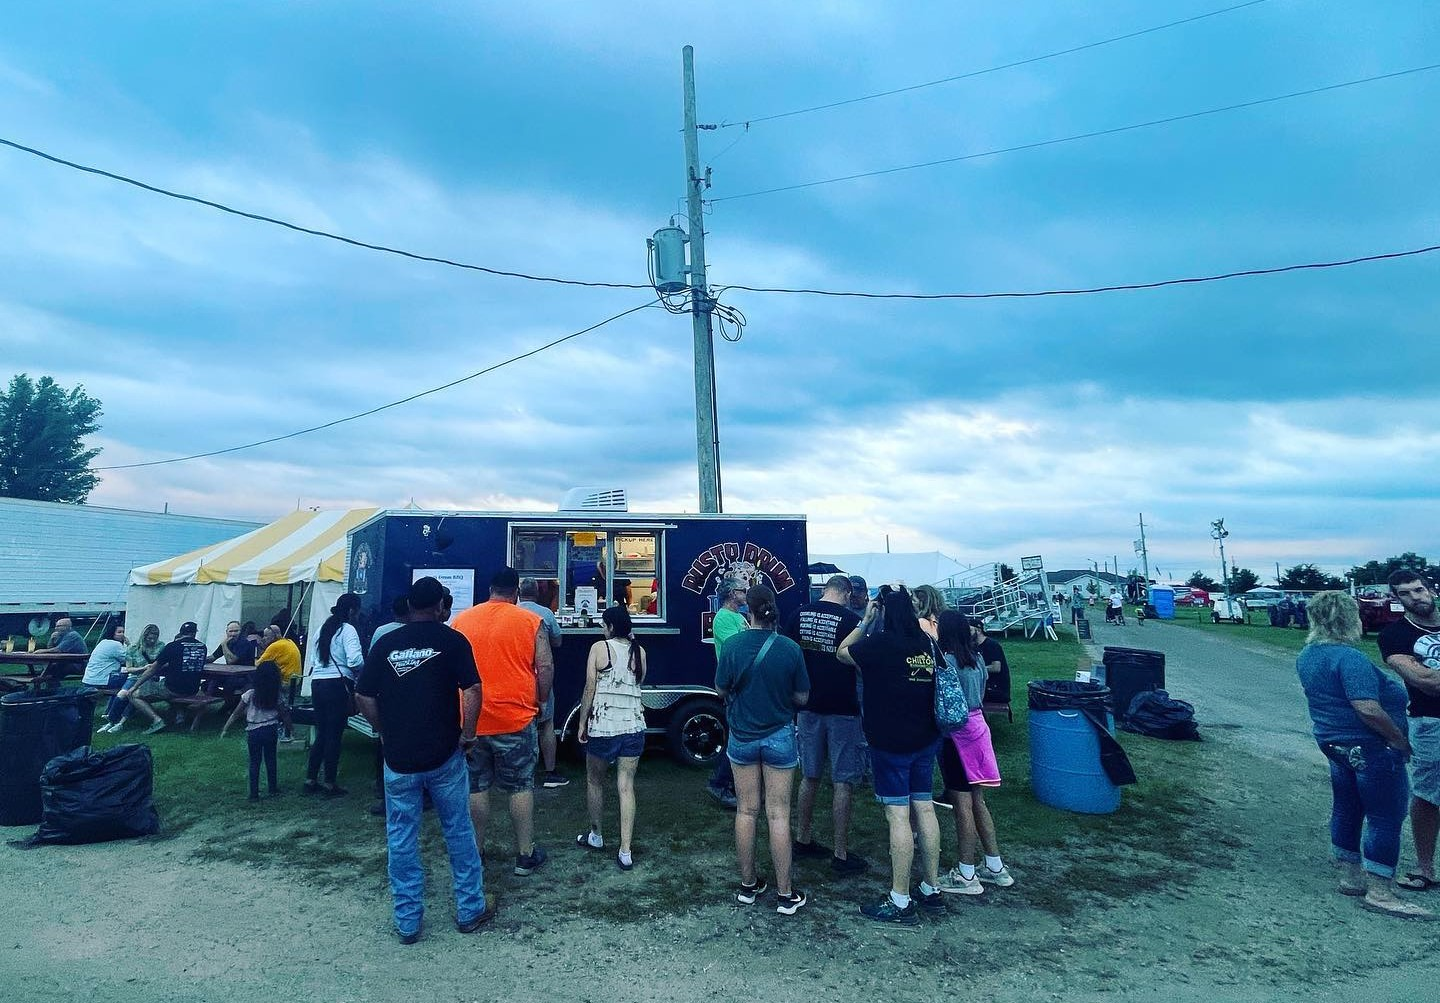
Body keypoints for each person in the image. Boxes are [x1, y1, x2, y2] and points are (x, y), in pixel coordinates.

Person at [355, 576, 491, 944]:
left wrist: (385, 729)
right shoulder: (452, 640)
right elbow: (474, 688)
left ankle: (408, 921)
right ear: (440, 608)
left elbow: (363, 695)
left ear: (412, 606)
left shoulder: (386, 643)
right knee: (459, 831)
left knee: (401, 838)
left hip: (398, 758)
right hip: (445, 754)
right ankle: (470, 909)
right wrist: (469, 732)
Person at [1297, 590, 1427, 917]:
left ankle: (1350, 876)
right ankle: (1381, 891)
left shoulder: (1308, 655)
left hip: (1335, 744)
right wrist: (1398, 740)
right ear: (1347, 617)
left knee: (1348, 805)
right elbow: (1367, 708)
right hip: (1370, 747)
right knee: (1386, 814)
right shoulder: (1348, 658)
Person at [838, 585, 945, 925]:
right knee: (925, 809)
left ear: (882, 611)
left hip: (891, 742)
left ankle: (900, 899)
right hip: (926, 737)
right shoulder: (926, 642)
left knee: (898, 817)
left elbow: (842, 652)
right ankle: (932, 887)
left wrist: (866, 620)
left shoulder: (879, 644)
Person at [451, 567, 554, 877]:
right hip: (516, 717)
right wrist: (541, 699)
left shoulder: (462, 621)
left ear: (490, 589)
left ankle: (477, 853)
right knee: (520, 785)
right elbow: (545, 665)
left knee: (476, 787)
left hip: (472, 720)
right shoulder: (530, 621)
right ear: (517, 594)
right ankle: (525, 855)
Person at [716, 584, 810, 915]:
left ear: (748, 611)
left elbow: (720, 687)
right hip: (780, 735)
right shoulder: (790, 649)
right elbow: (802, 698)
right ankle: (785, 894)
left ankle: (748, 885)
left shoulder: (732, 646)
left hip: (742, 735)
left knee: (746, 811)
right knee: (779, 813)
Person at [784, 574, 867, 875]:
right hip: (843, 708)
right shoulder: (851, 621)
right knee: (843, 780)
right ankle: (841, 853)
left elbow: (788, 655)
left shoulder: (798, 614)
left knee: (810, 775)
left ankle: (802, 838)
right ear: (845, 593)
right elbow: (860, 663)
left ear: (824, 590)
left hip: (807, 706)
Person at [935, 611, 1013, 896]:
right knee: (977, 800)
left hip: (957, 735)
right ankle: (995, 866)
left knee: (961, 803)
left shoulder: (947, 661)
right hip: (979, 728)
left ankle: (966, 872)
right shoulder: (977, 657)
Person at [1377, 569, 1440, 892]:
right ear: (1396, 598)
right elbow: (1426, 683)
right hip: (1431, 724)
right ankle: (1425, 867)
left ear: (1429, 589)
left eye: (1419, 589)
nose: (1416, 597)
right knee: (1429, 795)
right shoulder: (1395, 636)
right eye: (1406, 593)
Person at [576, 605, 648, 871]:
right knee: (626, 786)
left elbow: (589, 688)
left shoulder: (599, 648)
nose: (601, 629)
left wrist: (582, 723)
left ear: (610, 627)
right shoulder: (639, 651)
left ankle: (596, 835)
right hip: (633, 726)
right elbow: (637, 683)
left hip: (604, 727)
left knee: (595, 780)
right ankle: (625, 850)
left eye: (603, 625)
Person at [306, 593, 364, 796]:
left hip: (318, 683)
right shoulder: (348, 630)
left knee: (322, 732)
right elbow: (355, 660)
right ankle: (329, 782)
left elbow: (314, 659)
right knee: (334, 734)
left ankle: (310, 779)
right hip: (337, 684)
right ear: (351, 611)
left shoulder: (322, 629)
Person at [706, 574, 750, 809]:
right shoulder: (723, 618)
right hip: (734, 684)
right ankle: (719, 782)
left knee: (740, 735)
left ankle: (732, 783)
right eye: (743, 590)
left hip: (743, 683)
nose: (747, 594)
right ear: (733, 594)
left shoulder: (739, 617)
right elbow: (741, 647)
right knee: (736, 736)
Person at [118, 621, 209, 735]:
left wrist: (135, 686)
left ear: (180, 633)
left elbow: (153, 669)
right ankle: (179, 716)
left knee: (134, 694)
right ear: (194, 633)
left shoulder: (172, 646)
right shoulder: (202, 647)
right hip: (193, 689)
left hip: (172, 689)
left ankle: (157, 720)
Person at [519, 576, 567, 789]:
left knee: (520, 724)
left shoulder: (512, 612)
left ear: (519, 593)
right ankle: (550, 772)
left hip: (518, 674)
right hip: (541, 675)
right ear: (537, 594)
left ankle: (522, 772)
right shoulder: (546, 613)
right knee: (546, 724)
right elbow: (557, 641)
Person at [220, 660, 283, 801]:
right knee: (271, 759)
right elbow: (284, 713)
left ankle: (253, 794)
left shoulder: (250, 694)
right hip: (270, 728)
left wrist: (226, 728)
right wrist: (290, 728)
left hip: (253, 730)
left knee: (254, 762)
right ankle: (273, 788)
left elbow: (236, 713)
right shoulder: (276, 694)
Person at [102, 624, 164, 732]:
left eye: (155, 638)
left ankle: (120, 722)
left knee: (133, 695)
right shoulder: (133, 649)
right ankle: (112, 720)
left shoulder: (161, 646)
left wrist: (153, 668)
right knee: (122, 694)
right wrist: (143, 668)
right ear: (144, 637)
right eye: (150, 638)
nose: (152, 641)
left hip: (150, 677)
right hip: (135, 676)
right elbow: (129, 669)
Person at [258, 623, 303, 742]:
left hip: (284, 683)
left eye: (266, 636)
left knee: (260, 687)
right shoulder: (289, 642)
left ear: (275, 635)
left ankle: (272, 725)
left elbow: (259, 665)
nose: (264, 638)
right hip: (295, 681)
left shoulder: (275, 646)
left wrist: (260, 650)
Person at [975, 620, 1012, 709]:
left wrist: (977, 669)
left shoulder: (992, 645)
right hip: (986, 685)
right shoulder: (973, 645)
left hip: (996, 689)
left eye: (970, 630)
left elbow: (996, 668)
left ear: (978, 631)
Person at [82, 621, 127, 688]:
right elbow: (128, 659)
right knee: (132, 677)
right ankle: (121, 697)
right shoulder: (115, 644)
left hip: (88, 679)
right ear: (112, 633)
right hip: (102, 680)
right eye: (119, 632)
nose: (122, 634)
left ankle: (118, 696)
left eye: (123, 632)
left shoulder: (102, 642)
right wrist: (129, 644)